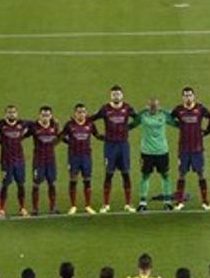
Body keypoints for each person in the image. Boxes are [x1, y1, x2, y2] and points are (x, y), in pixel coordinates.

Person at [93, 85, 137, 213]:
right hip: (110, 146)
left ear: (122, 95)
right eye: (114, 94)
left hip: (123, 146)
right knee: (109, 174)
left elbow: (138, 119)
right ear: (110, 95)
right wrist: (96, 134)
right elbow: (91, 119)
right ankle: (106, 204)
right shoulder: (105, 109)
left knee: (126, 174)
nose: (116, 96)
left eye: (118, 94)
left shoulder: (127, 108)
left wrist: (128, 128)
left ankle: (128, 204)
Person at [170, 87, 210, 210]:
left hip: (197, 149)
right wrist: (179, 125)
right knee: (181, 174)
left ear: (194, 96)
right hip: (183, 149)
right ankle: (179, 202)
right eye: (185, 95)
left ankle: (205, 202)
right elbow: (169, 119)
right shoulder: (178, 110)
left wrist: (206, 132)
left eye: (190, 95)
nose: (188, 97)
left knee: (201, 174)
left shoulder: (200, 108)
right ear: (182, 97)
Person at [132, 97, 174, 211]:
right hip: (146, 152)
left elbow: (177, 124)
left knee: (165, 175)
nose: (153, 108)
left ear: (159, 106)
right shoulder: (142, 115)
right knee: (145, 176)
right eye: (151, 106)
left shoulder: (164, 115)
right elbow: (131, 125)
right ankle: (143, 203)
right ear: (147, 106)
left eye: (155, 106)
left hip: (162, 151)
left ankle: (167, 202)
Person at [60, 103, 103, 214]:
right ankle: (73, 206)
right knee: (73, 180)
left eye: (83, 112)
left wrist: (108, 138)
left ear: (86, 113)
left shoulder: (90, 124)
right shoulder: (69, 125)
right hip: (73, 157)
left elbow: (97, 135)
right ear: (75, 113)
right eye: (79, 112)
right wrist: (70, 143)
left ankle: (87, 205)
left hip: (86, 156)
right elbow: (61, 136)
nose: (81, 114)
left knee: (87, 180)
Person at [0, 105, 32, 216]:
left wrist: (24, 136)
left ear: (17, 113)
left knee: (21, 184)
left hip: (19, 161)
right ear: (5, 114)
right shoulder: (0, 124)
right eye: (9, 112)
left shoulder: (22, 123)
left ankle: (22, 208)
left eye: (13, 112)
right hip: (6, 161)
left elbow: (34, 125)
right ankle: (1, 209)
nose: (11, 114)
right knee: (5, 184)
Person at [29, 106, 60, 215]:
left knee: (52, 184)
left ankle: (53, 207)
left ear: (51, 116)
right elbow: (23, 133)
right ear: (39, 116)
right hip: (38, 161)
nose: (45, 117)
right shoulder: (34, 127)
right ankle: (35, 208)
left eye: (47, 115)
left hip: (51, 160)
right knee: (36, 184)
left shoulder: (55, 126)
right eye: (43, 115)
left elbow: (58, 137)